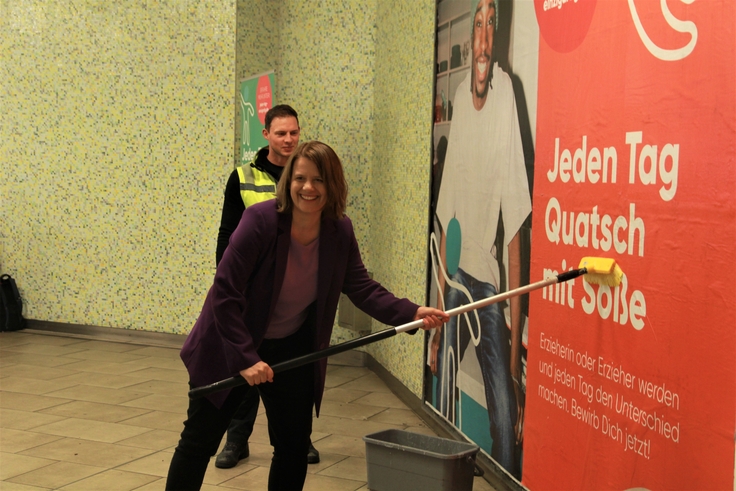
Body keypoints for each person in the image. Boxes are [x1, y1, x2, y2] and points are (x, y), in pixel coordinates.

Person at [166, 141, 449, 491]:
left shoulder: (339, 230)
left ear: (333, 185)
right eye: (299, 178)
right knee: (198, 442)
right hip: (229, 343)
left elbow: (360, 286)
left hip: (291, 346)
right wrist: (245, 357)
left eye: (319, 179)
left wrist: (412, 312)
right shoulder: (260, 221)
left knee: (293, 448)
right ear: (288, 181)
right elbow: (224, 293)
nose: (308, 188)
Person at [429, 0, 531, 479]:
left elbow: (514, 226)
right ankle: (443, 470)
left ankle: (507, 478)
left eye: (494, 23)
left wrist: (512, 362)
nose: (485, 36)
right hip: (456, 277)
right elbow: (446, 213)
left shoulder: (507, 93)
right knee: (441, 386)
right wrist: (435, 316)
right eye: (479, 23)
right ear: (471, 37)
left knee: (504, 412)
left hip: (488, 282)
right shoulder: (456, 92)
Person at [213, 104, 322, 468]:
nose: (289, 139)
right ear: (266, 136)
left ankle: (297, 440)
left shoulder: (310, 174)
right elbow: (228, 235)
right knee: (246, 373)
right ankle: (236, 442)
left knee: (293, 378)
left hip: (292, 297)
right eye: (281, 133)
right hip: (252, 298)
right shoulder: (243, 176)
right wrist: (228, 285)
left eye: (294, 132)